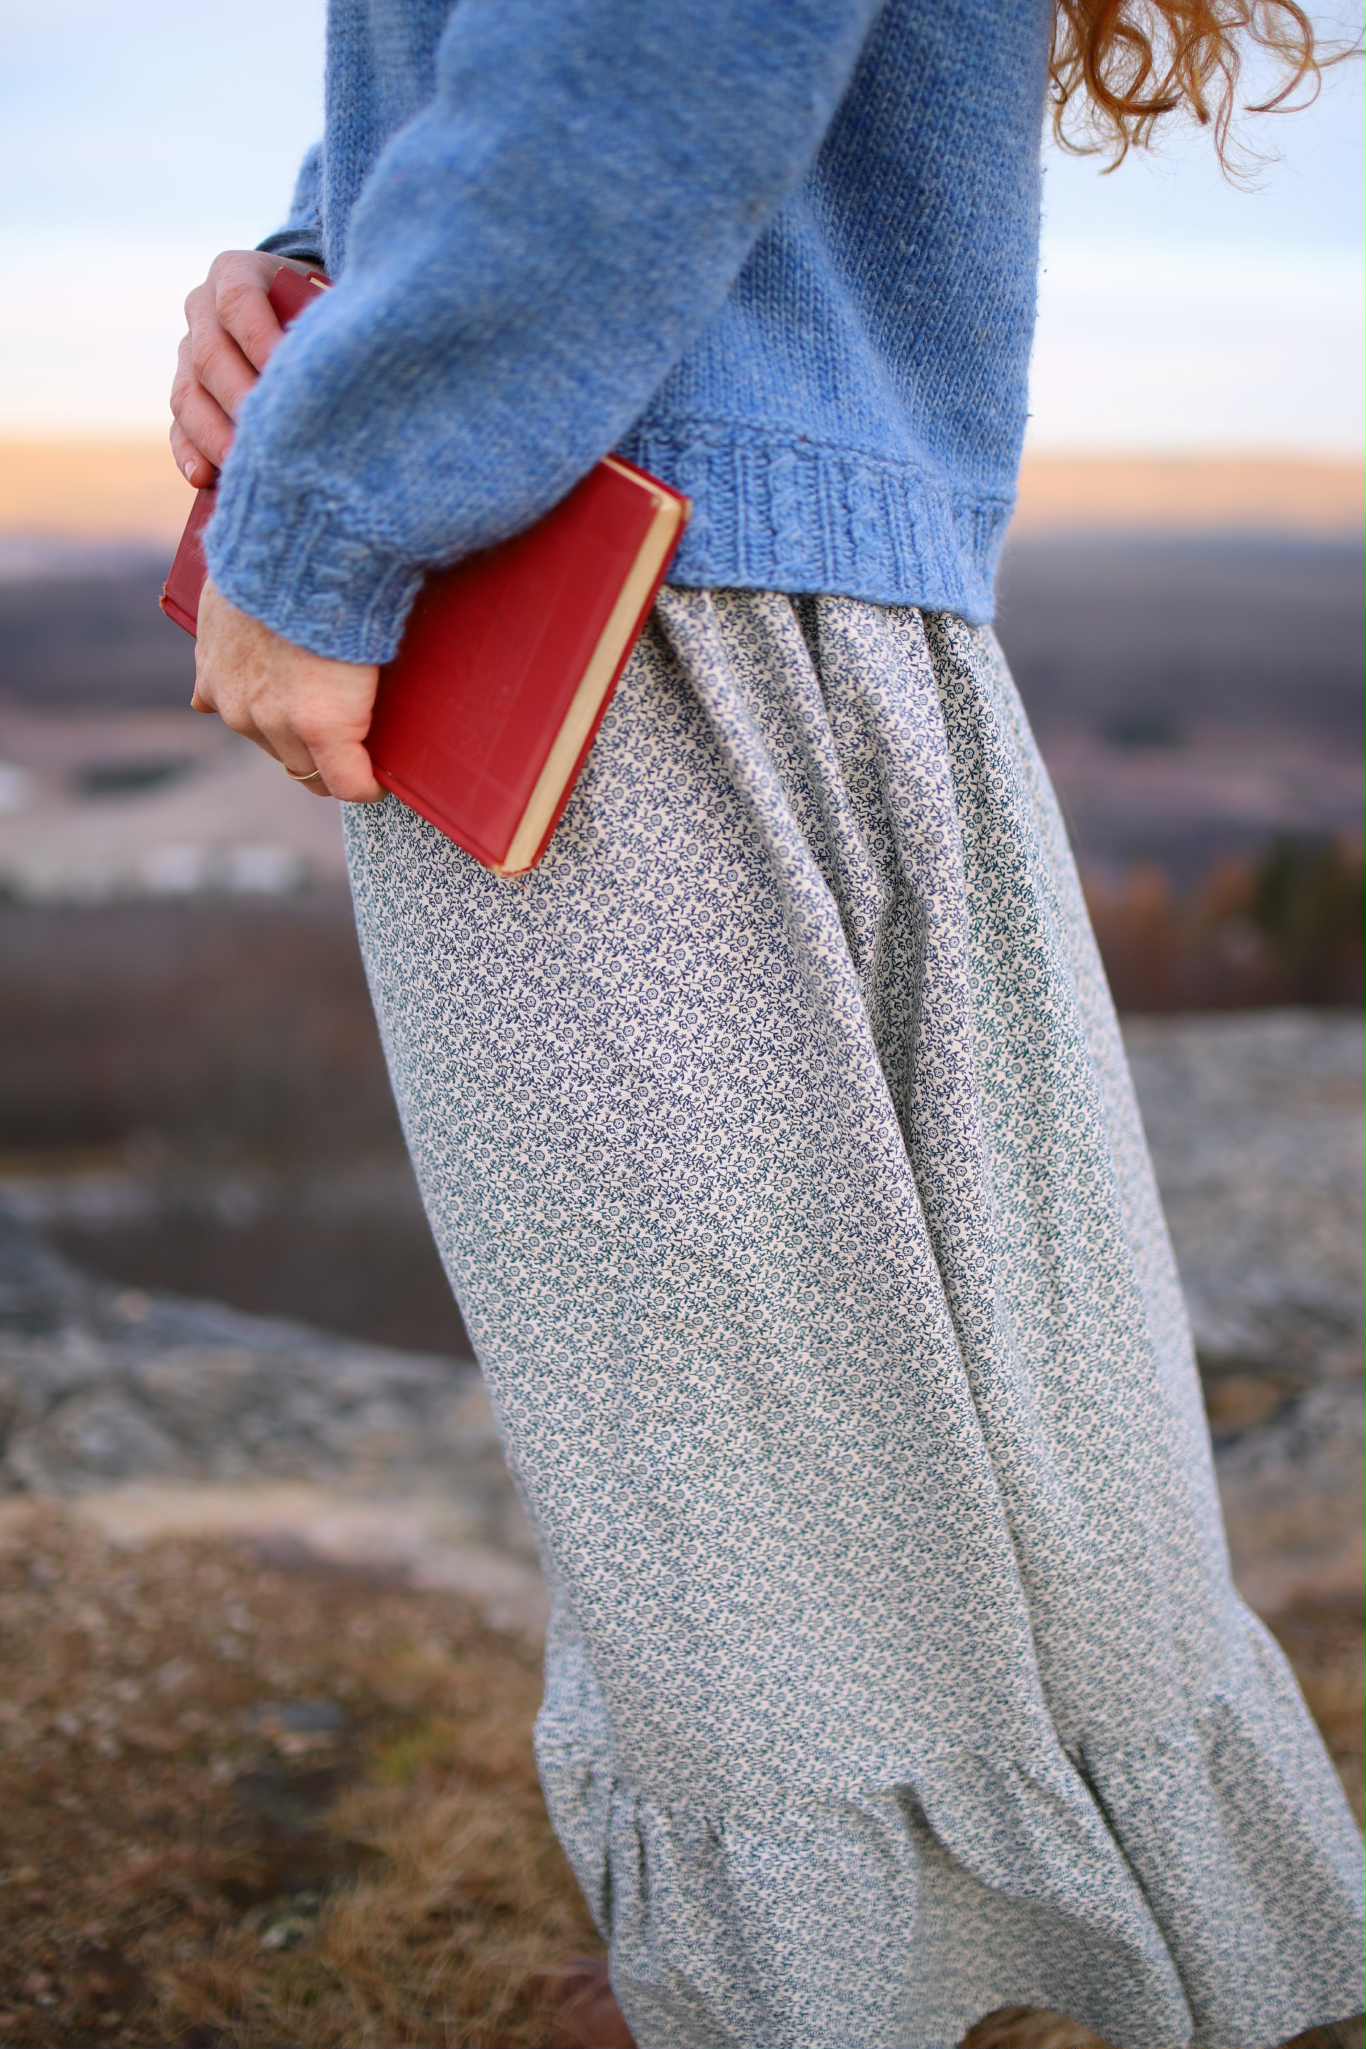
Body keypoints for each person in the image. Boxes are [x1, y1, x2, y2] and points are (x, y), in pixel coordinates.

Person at [170, 2, 1366, 2044]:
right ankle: (1014, 1969)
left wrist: (327, 501)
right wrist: (308, 255)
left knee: (708, 1454)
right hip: (806, 609)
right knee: (963, 1420)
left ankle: (821, 1994)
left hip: (600, 616)